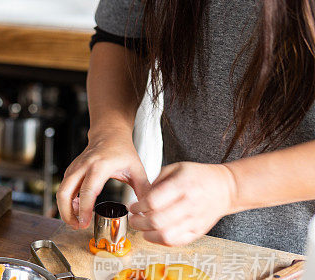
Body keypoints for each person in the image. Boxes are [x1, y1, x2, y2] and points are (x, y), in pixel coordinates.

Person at [57, 0, 315, 254]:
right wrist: (109, 133)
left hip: (302, 261)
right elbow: (121, 37)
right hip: (187, 244)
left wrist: (232, 186)